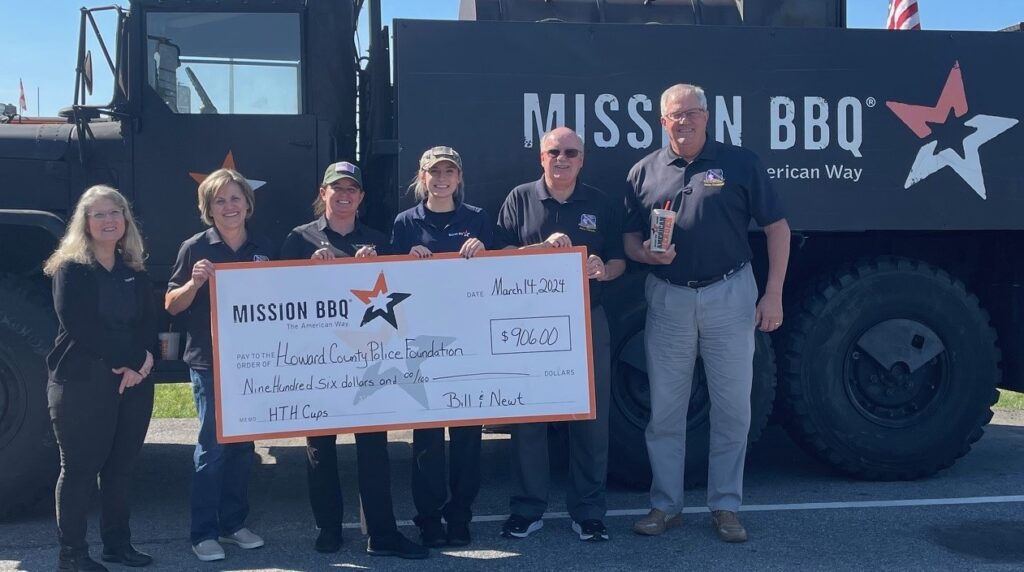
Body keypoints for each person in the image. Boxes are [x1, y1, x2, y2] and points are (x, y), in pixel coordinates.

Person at [624, 84, 791, 542]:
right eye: (675, 115)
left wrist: (772, 292)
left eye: (692, 113)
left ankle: (725, 507)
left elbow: (777, 227)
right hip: (668, 297)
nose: (684, 121)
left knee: (733, 407)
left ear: (707, 116)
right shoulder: (643, 171)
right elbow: (629, 239)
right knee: (666, 412)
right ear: (662, 122)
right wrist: (644, 255)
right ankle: (665, 507)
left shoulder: (740, 162)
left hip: (730, 293)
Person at [279, 161, 428, 559]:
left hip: (368, 360)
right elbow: (279, 299)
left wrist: (401, 260)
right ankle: (328, 530)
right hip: (319, 361)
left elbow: (405, 295)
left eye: (351, 189)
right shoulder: (299, 239)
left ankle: (382, 535)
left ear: (361, 197)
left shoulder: (377, 241)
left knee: (373, 448)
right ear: (322, 193)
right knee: (320, 448)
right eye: (335, 188)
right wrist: (307, 271)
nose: (343, 195)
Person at [496, 127, 625, 542]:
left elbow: (621, 261)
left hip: (588, 318)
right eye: (554, 151)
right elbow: (498, 257)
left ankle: (589, 510)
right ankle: (527, 509)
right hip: (529, 325)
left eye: (571, 152)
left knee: (590, 418)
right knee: (528, 417)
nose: (562, 159)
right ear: (542, 158)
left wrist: (603, 268)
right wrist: (541, 249)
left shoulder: (601, 203)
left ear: (582, 159)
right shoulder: (520, 198)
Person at [43, 185, 156, 571]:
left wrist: (141, 365)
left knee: (120, 469)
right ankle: (72, 556)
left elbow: (147, 324)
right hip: (80, 383)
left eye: (116, 213)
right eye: (99, 214)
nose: (109, 221)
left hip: (132, 384)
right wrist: (133, 359)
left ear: (126, 220)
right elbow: (80, 326)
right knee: (78, 471)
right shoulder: (70, 269)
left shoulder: (134, 270)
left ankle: (117, 546)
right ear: (85, 223)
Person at [165, 168, 274, 562]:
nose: (229, 207)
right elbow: (171, 305)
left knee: (244, 447)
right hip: (210, 363)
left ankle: (233, 524)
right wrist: (193, 284)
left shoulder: (263, 248)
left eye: (235, 198)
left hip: (253, 363)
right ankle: (203, 533)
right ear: (208, 209)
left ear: (248, 203)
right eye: (219, 201)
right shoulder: (194, 248)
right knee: (212, 448)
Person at [390, 146, 494, 548]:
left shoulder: (478, 219)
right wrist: (406, 258)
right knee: (427, 439)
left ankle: (460, 514)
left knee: (468, 437)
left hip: (469, 342)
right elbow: (390, 285)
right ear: (422, 176)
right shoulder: (405, 223)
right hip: (422, 343)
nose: (441, 178)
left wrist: (484, 253)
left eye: (449, 171)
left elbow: (502, 272)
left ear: (459, 177)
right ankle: (428, 518)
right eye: (434, 172)